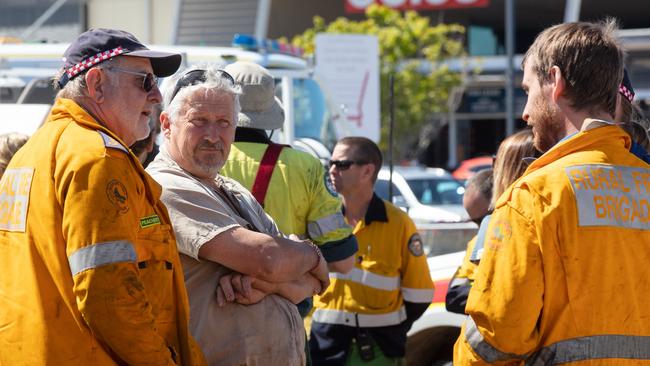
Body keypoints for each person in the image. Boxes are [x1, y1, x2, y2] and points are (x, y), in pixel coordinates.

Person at [0, 28, 205, 365]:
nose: (157, 96)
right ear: (96, 84)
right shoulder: (98, 159)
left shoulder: (31, 154)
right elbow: (108, 295)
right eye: (144, 82)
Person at [454, 20, 650, 365]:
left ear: (556, 82)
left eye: (528, 90)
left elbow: (500, 335)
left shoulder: (534, 196)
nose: (525, 112)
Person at [146, 66, 331, 366]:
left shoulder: (231, 188)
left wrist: (271, 284)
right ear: (166, 124)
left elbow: (308, 286)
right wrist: (312, 254)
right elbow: (269, 259)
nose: (213, 135)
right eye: (199, 121)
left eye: (223, 123)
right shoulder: (165, 185)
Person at [219, 61, 358, 315]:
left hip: (213, 312)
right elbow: (344, 260)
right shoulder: (305, 166)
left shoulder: (199, 163)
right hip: (286, 315)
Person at [309, 136, 434, 365]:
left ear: (367, 171)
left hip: (379, 351)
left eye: (342, 164)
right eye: (331, 163)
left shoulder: (398, 223)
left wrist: (390, 331)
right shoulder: (321, 218)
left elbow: (420, 295)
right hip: (324, 348)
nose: (333, 170)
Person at [445, 168, 492, 314]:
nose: (480, 227)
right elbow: (453, 298)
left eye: (484, 219)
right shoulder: (475, 244)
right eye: (475, 221)